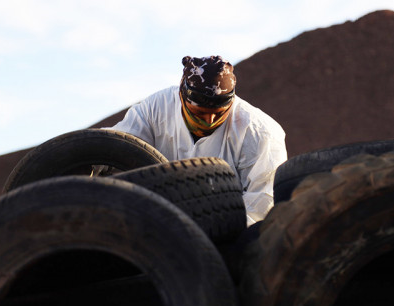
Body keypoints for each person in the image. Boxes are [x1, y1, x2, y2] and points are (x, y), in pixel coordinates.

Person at [109, 55, 287, 226]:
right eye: (200, 113)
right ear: (182, 97)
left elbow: (263, 203)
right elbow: (112, 144)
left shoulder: (261, 133)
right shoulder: (156, 108)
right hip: (152, 219)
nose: (209, 121)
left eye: (218, 113)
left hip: (226, 235)